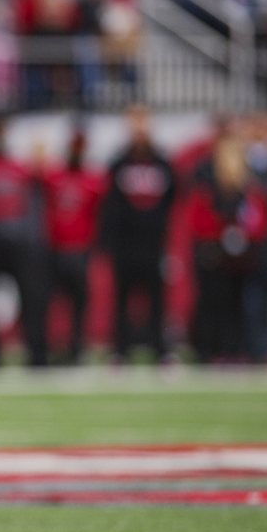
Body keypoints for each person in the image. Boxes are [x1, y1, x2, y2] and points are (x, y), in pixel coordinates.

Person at [0, 115, 50, 366]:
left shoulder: (20, 167)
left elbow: (45, 179)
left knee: (31, 299)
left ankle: (37, 356)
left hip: (18, 241)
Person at [100, 104, 175, 363]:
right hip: (125, 245)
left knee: (157, 301)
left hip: (153, 244)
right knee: (122, 300)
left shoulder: (163, 163)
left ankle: (160, 351)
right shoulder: (118, 163)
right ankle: (120, 351)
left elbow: (172, 201)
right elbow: (109, 205)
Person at [188, 136, 267, 362]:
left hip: (242, 260)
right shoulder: (207, 189)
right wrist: (220, 235)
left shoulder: (251, 192)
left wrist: (242, 237)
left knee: (243, 306)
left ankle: (239, 349)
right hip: (214, 257)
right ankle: (209, 350)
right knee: (213, 304)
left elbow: (261, 223)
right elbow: (198, 222)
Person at [43, 127, 107, 363]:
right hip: (56, 250)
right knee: (53, 302)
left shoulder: (93, 181)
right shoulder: (55, 178)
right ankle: (55, 347)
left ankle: (77, 348)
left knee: (80, 303)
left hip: (81, 250)